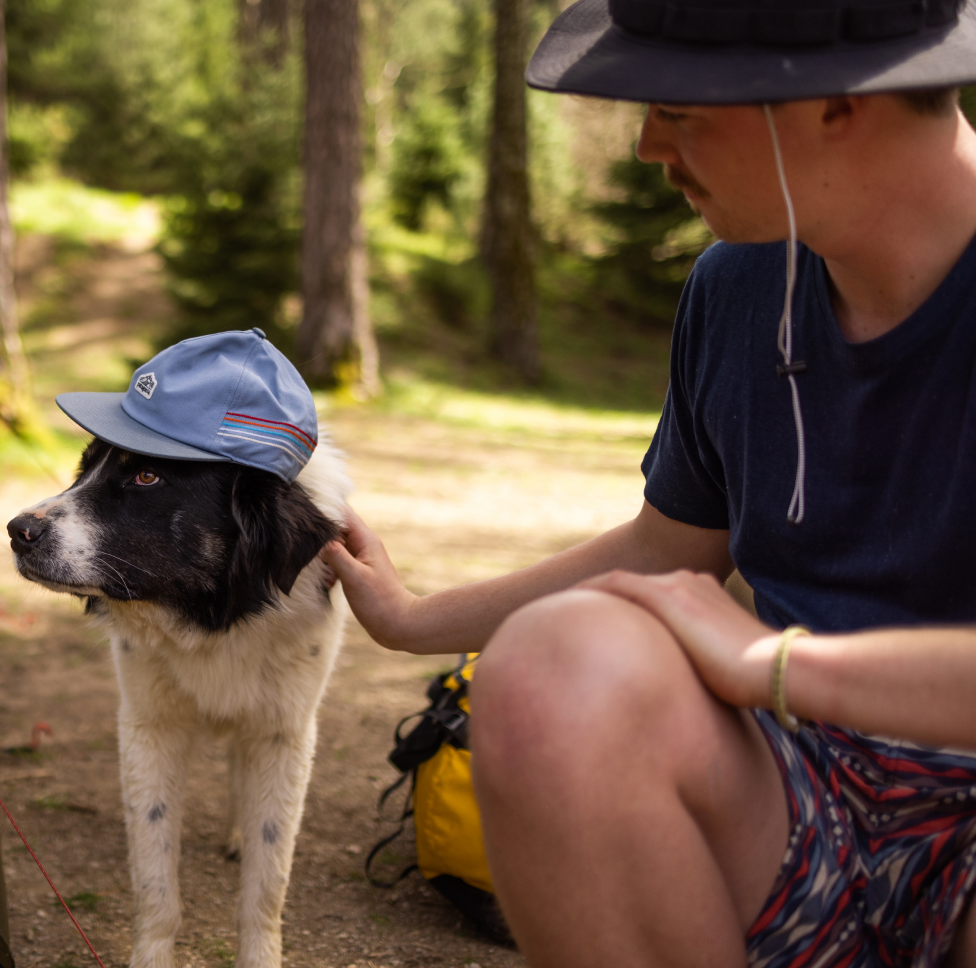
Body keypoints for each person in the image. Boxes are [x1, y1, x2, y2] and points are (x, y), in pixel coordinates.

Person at [320, 2, 976, 966]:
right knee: (551, 669)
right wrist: (410, 617)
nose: (644, 147)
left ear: (837, 100)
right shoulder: (738, 288)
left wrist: (779, 667)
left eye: (680, 109)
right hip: (794, 791)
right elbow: (669, 549)